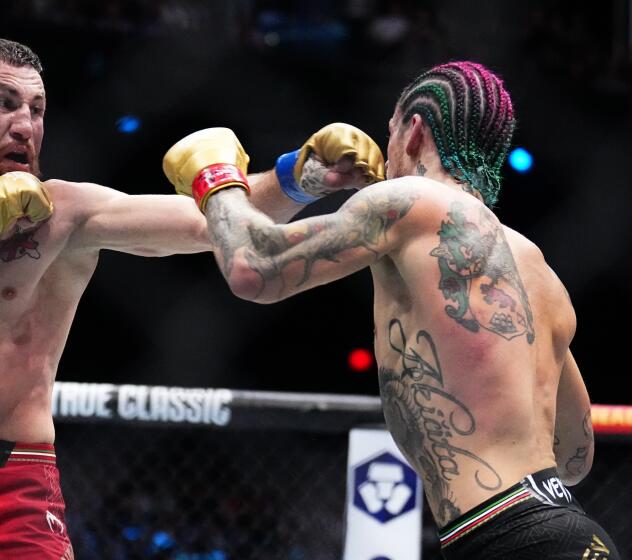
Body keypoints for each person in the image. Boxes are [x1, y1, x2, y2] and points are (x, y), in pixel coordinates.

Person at [0, 37, 372, 559]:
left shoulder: (64, 213)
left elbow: (206, 224)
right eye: (4, 103)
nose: (25, 124)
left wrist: (302, 178)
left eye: (36, 109)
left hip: (12, 489)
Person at [164, 61, 620, 559]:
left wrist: (215, 178)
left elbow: (255, 268)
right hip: (573, 532)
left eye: (390, 133)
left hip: (506, 538)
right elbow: (575, 458)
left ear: (414, 130)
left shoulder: (407, 200)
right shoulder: (538, 271)